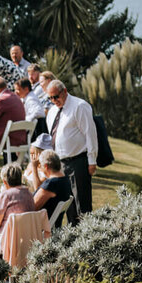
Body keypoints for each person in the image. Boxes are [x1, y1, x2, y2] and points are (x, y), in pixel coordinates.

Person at [46, 80, 98, 219]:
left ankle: (87, 236)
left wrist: (92, 160)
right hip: (60, 163)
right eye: (50, 98)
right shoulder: (52, 111)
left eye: (56, 96)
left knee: (82, 204)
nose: (54, 100)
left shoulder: (79, 106)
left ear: (64, 91)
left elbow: (90, 133)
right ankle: (72, 237)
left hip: (78, 161)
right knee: (68, 205)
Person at [0, 164, 36, 244]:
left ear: (4, 182)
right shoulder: (29, 194)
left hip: (6, 238)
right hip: (25, 237)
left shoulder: (6, 195)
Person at [33, 149, 75, 224]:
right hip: (54, 224)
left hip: (39, 225)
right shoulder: (65, 180)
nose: (40, 169)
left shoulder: (51, 185)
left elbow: (32, 207)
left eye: (40, 166)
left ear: (46, 166)